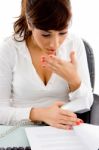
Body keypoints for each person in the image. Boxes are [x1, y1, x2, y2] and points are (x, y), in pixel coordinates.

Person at [0, 0, 93, 129]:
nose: (55, 44)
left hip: (64, 131)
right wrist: (40, 114)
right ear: (29, 24)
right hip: (22, 130)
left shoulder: (74, 44)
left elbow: (86, 103)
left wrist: (74, 80)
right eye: (45, 35)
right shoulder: (10, 48)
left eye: (62, 33)